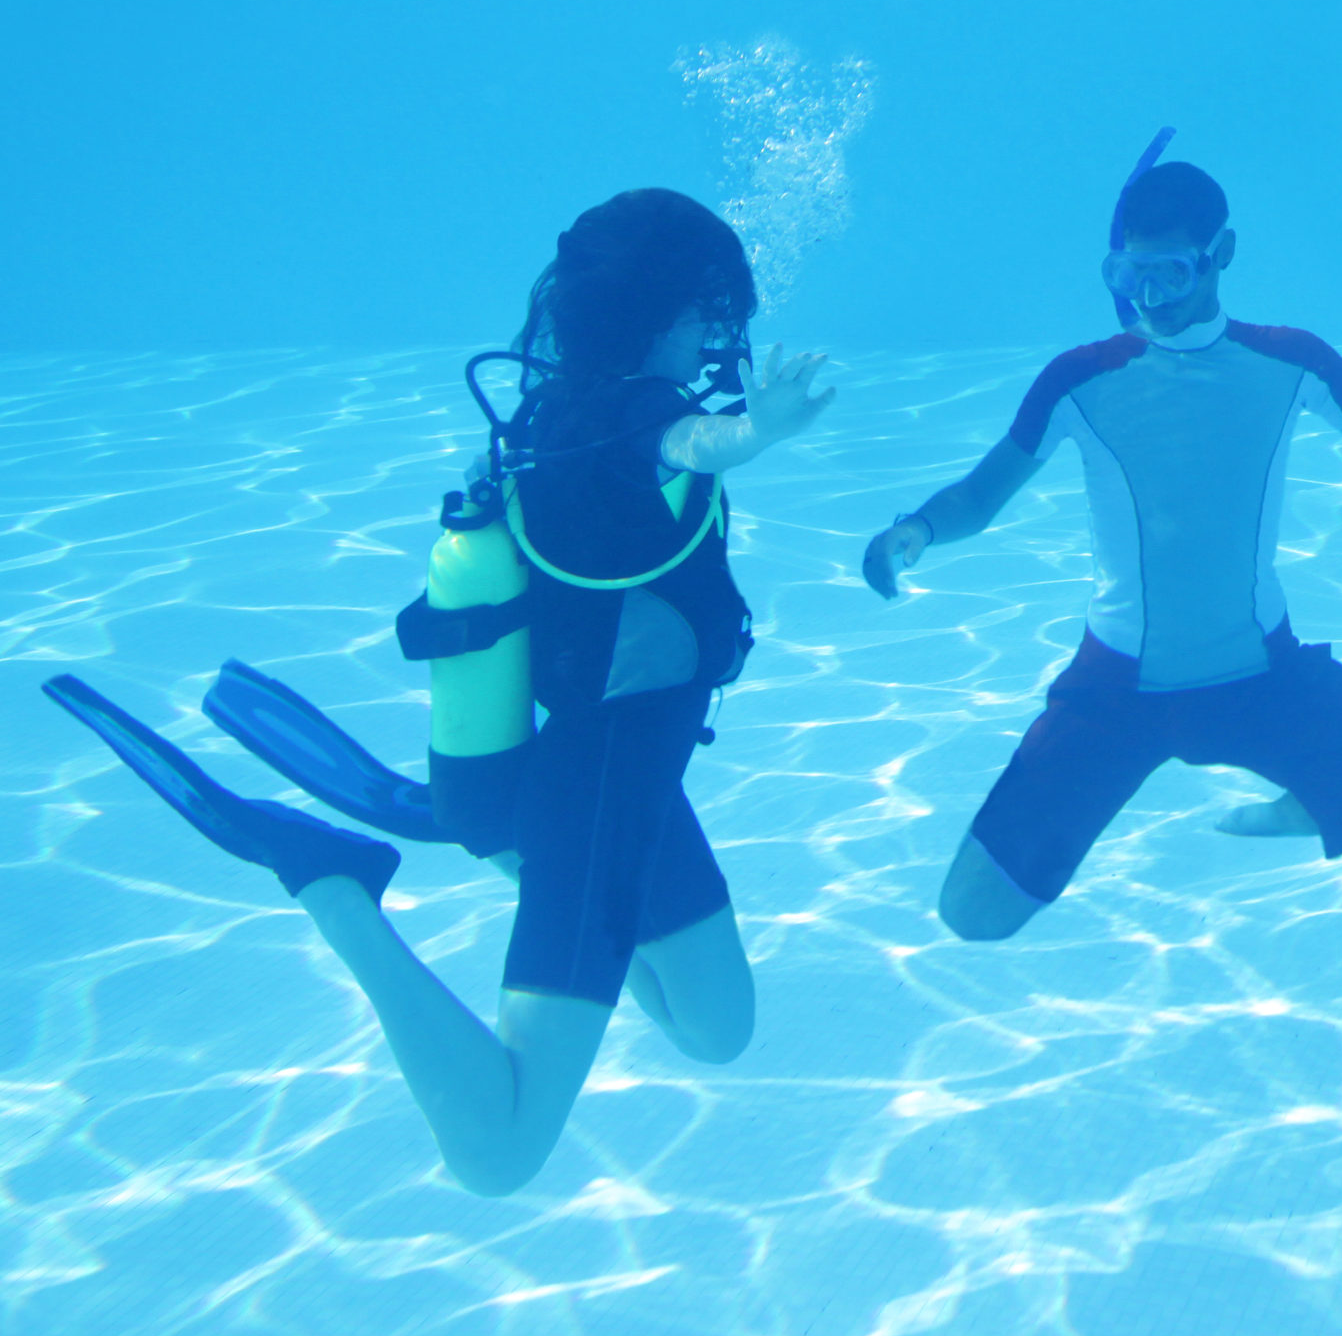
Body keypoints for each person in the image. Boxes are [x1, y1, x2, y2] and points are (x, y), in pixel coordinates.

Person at [45, 189, 834, 1196]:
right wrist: (758, 430)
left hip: (621, 791)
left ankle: (511, 843)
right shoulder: (635, 411)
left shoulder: (556, 413)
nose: (710, 337)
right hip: (595, 808)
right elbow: (690, 443)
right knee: (498, 1153)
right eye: (700, 313)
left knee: (718, 1029)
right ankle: (334, 886)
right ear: (660, 312)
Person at [863, 151, 1342, 940]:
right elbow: (980, 495)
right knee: (971, 914)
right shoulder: (1078, 378)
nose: (1149, 298)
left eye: (1172, 273)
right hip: (1115, 692)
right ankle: (1315, 789)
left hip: (1267, 676)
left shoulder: (1290, 361)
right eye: (1131, 274)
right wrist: (913, 531)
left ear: (1222, 253)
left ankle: (1309, 794)